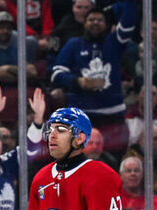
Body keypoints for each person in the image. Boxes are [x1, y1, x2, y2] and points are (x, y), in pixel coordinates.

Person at [50, 0, 137, 155]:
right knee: (78, 165)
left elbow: (129, 19)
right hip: (81, 116)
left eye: (99, 20)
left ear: (106, 23)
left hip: (113, 117)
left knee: (113, 163)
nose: (95, 23)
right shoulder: (74, 44)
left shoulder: (114, 42)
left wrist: (118, 7)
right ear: (84, 23)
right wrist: (77, 82)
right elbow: (56, 73)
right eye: (91, 20)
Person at [0, 11, 38, 88]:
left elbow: (32, 72)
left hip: (18, 91)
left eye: (8, 28)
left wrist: (7, 68)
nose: (5, 31)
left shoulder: (18, 48)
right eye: (1, 27)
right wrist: (21, 74)